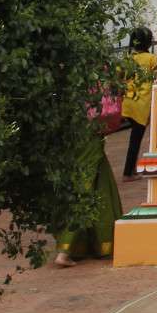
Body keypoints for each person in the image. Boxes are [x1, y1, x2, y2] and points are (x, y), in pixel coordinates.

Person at [53, 82, 124, 265]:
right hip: (89, 133)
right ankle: (65, 249)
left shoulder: (67, 73)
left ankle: (98, 242)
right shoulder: (92, 71)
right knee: (85, 186)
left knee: (99, 183)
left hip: (73, 133)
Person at [120, 27, 156, 179]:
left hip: (128, 101)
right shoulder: (152, 59)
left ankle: (131, 170)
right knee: (135, 140)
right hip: (141, 104)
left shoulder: (127, 58)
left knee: (134, 139)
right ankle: (128, 173)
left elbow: (119, 75)